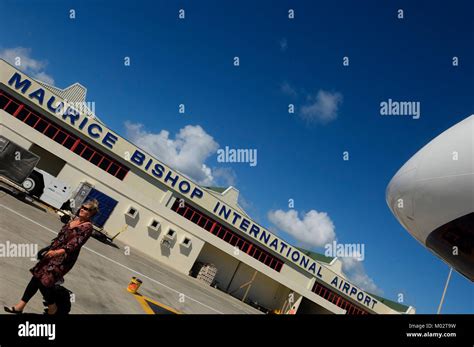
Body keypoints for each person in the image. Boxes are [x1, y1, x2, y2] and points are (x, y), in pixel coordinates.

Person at [4, 199, 99, 314]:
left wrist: (56, 253)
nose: (82, 210)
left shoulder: (87, 227)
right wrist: (47, 249)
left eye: (86, 209)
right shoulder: (74, 219)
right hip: (52, 252)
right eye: (82, 207)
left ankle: (52, 307)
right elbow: (60, 237)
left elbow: (75, 244)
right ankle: (20, 307)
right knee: (36, 276)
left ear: (91, 213)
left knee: (45, 282)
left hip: (64, 259)